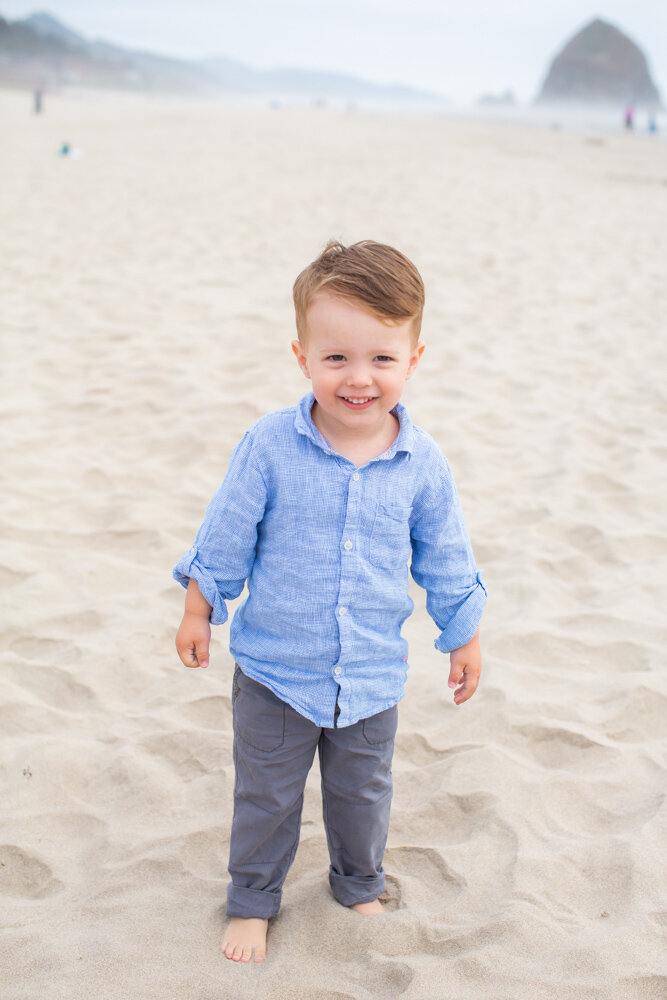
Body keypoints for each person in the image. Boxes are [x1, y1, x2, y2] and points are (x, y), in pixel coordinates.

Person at [173, 240, 487, 964]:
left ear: (413, 359)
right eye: (336, 358)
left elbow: (445, 556)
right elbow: (226, 533)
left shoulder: (422, 463)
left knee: (362, 794)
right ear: (301, 355)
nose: (358, 379)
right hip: (275, 673)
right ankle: (252, 899)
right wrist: (200, 606)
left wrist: (462, 634)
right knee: (267, 797)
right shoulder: (269, 445)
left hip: (371, 676)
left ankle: (357, 882)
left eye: (381, 358)